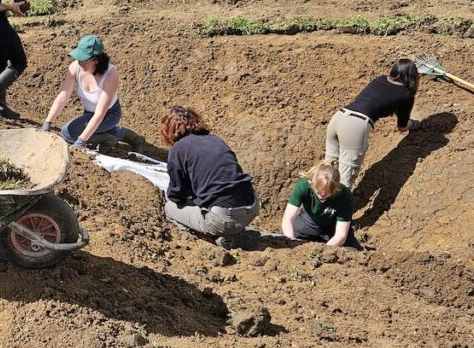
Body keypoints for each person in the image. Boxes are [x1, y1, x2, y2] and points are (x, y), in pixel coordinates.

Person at [161, 105, 260, 249]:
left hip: (224, 217)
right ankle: (235, 231)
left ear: (169, 129)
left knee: (170, 208)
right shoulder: (215, 140)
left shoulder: (178, 149)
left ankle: (217, 238)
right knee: (210, 205)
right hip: (252, 206)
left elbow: (177, 195)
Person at [325, 58, 421, 189]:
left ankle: (316, 200)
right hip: (355, 126)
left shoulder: (379, 79)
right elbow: (402, 126)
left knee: (326, 171)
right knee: (344, 181)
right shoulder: (406, 95)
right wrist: (414, 124)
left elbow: (380, 99)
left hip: (339, 117)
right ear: (412, 77)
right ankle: (339, 202)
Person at [41, 35, 144, 153]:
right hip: (89, 113)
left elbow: (100, 113)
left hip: (109, 114)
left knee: (68, 133)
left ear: (96, 59)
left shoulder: (111, 74)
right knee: (91, 129)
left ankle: (109, 139)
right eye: (78, 59)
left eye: (83, 60)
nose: (80, 63)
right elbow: (63, 95)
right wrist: (48, 122)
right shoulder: (75, 67)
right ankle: (134, 139)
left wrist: (81, 141)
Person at [281, 161, 362, 250]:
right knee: (287, 239)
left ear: (336, 188)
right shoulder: (304, 186)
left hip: (333, 227)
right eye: (319, 190)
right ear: (313, 182)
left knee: (351, 251)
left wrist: (323, 251)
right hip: (309, 222)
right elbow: (288, 219)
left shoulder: (345, 196)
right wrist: (291, 242)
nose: (323, 194)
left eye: (328, 192)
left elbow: (341, 235)